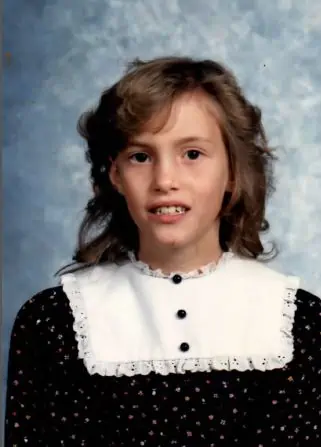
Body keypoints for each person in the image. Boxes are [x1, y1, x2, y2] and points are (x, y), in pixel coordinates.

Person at [5, 56, 320, 446]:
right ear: (116, 175)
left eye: (192, 154)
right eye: (141, 156)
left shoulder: (301, 325)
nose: (165, 180)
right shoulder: (52, 324)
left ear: (234, 172)